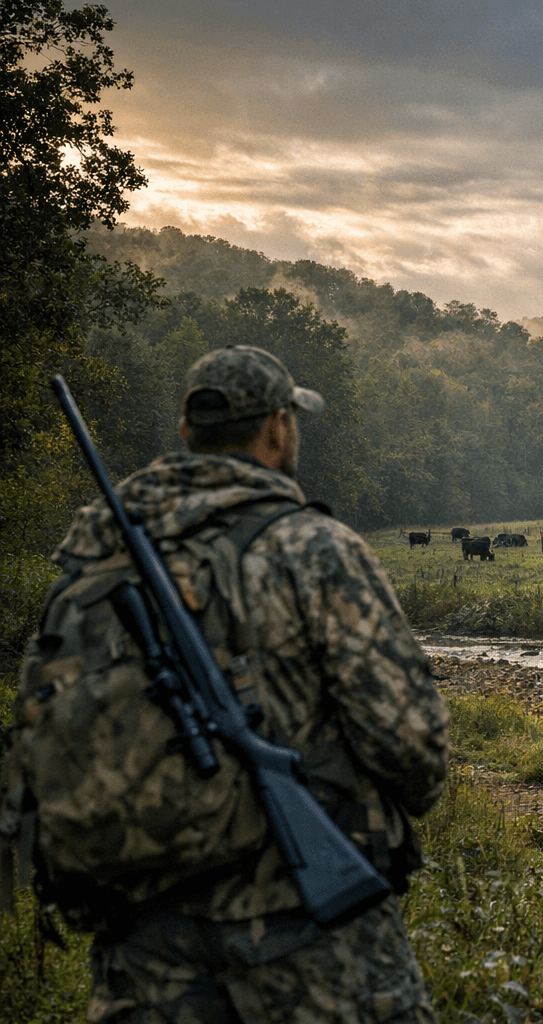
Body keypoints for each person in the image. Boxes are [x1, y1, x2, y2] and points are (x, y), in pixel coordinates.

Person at [36, 345, 450, 1023]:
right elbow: (413, 755)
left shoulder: (89, 564)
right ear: (279, 427)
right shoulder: (313, 549)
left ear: (184, 434)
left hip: (141, 947)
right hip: (312, 933)